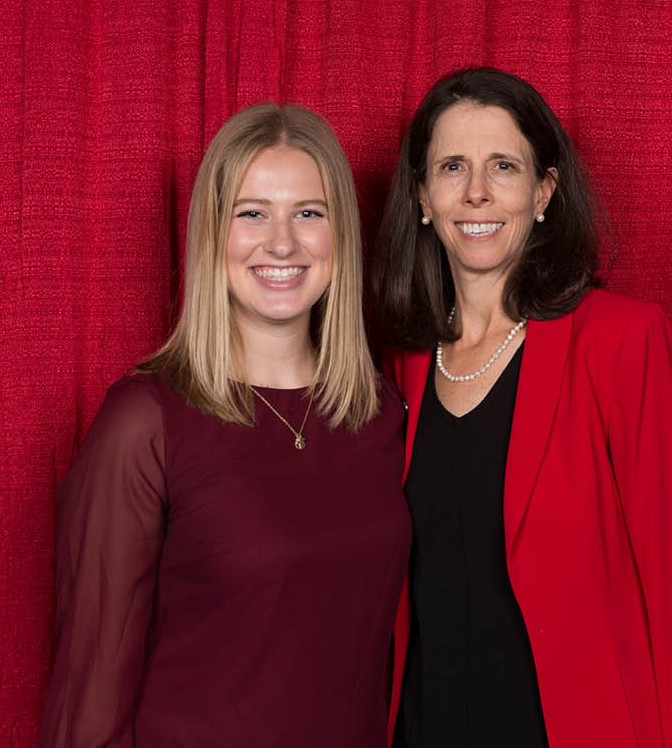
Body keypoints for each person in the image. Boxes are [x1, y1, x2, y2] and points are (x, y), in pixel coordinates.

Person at [371, 67, 672, 747]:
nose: (476, 191)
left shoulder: (624, 341)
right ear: (422, 196)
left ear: (544, 192)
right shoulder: (404, 365)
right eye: (452, 167)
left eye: (503, 165)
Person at [39, 103, 410, 747]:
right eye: (252, 212)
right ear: (214, 234)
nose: (282, 242)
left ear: (340, 235)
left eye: (309, 213)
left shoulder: (381, 410)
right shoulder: (146, 421)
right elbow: (89, 693)